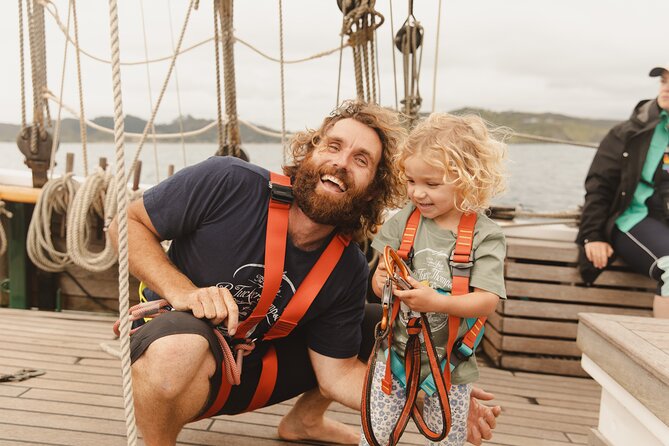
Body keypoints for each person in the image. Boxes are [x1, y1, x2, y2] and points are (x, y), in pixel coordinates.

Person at [109, 100, 501, 446]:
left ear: (372, 189)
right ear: (311, 150)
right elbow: (124, 225)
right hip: (174, 363)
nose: (342, 162)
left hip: (249, 376)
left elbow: (338, 374)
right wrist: (182, 292)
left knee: (378, 324)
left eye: (361, 160)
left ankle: (305, 421)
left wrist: (433, 396)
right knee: (180, 349)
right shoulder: (228, 182)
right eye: (333, 146)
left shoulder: (346, 267)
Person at [362, 113, 507, 446]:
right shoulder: (403, 223)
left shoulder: (486, 236)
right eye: (412, 181)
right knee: (374, 437)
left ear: (469, 180)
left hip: (450, 370)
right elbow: (378, 285)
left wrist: (436, 303)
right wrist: (382, 280)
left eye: (432, 184)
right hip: (394, 360)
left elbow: (486, 300)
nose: (418, 193)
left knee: (446, 441)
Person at [577, 64, 669, 318]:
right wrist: (592, 236)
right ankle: (662, 356)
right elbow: (599, 187)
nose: (666, 88)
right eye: (663, 81)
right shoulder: (626, 133)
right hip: (635, 219)